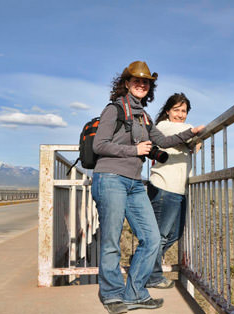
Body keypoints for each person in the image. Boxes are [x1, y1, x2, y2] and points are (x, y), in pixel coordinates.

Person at [91, 61, 204, 314]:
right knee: (111, 239)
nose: (141, 85)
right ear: (127, 84)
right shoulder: (114, 109)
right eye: (137, 81)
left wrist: (191, 132)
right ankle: (111, 295)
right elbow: (100, 145)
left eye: (146, 82)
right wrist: (134, 150)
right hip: (110, 179)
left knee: (152, 238)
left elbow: (162, 140)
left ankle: (135, 293)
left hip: (135, 183)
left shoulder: (144, 116)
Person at [145, 93, 201, 289]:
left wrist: (193, 139)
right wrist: (196, 134)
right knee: (160, 235)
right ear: (168, 111)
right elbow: (186, 130)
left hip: (178, 189)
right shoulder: (164, 126)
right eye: (176, 110)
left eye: (183, 111)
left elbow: (187, 135)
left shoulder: (181, 131)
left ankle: (144, 261)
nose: (180, 114)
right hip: (164, 186)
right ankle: (152, 275)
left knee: (175, 233)